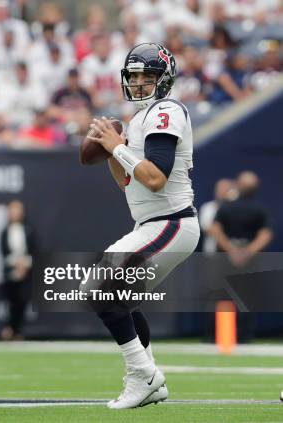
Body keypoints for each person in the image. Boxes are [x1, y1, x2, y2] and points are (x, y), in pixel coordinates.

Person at [87, 43, 200, 409]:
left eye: (146, 76)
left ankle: (144, 375)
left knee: (100, 288)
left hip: (171, 222)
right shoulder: (141, 118)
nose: (138, 83)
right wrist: (111, 151)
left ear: (163, 80)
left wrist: (117, 146)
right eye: (133, 76)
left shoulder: (166, 110)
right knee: (119, 297)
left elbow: (154, 179)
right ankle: (148, 376)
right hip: (153, 223)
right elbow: (128, 181)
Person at [209, 171, 272, 267]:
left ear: (237, 185)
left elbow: (215, 229)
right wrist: (247, 253)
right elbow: (265, 235)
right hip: (251, 264)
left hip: (225, 262)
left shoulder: (225, 207)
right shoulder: (261, 210)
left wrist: (232, 251)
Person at [0, 200, 34, 341]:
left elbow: (34, 250)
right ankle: (10, 328)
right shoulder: (5, 232)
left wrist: (25, 264)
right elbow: (3, 252)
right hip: (10, 272)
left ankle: (15, 329)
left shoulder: (28, 230)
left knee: (23, 300)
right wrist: (16, 264)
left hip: (26, 272)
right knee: (12, 301)